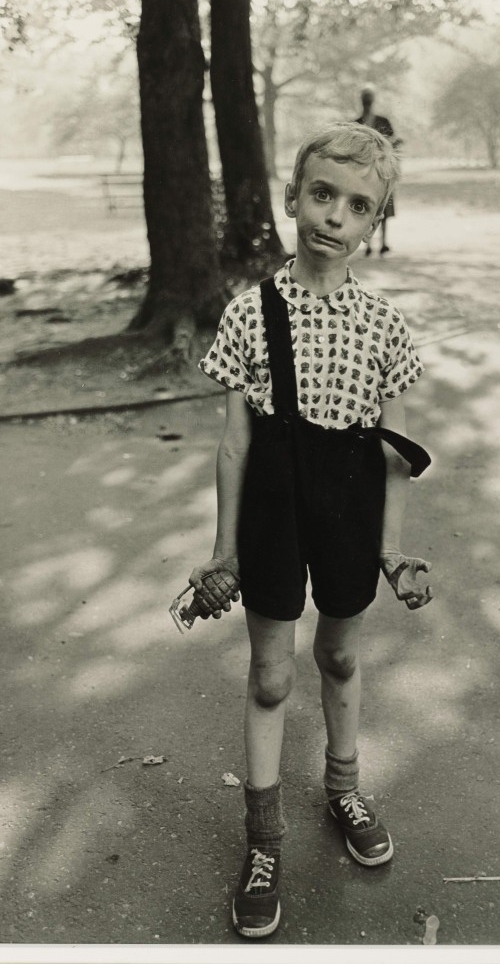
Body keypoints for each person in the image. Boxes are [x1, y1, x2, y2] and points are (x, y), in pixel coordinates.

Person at [191, 121, 434, 939]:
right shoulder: (249, 313)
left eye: (358, 205)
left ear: (376, 224)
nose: (335, 215)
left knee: (337, 655)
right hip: (270, 508)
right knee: (269, 676)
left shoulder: (387, 329)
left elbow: (397, 455)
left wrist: (393, 551)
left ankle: (344, 787)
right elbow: (233, 443)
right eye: (322, 194)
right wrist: (223, 549)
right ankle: (263, 842)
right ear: (293, 197)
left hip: (348, 511)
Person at [354, 85, 401, 256]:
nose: (367, 103)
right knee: (367, 207)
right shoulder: (356, 123)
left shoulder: (381, 121)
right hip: (364, 173)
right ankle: (369, 244)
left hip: (381, 170)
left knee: (382, 207)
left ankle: (382, 243)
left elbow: (392, 142)